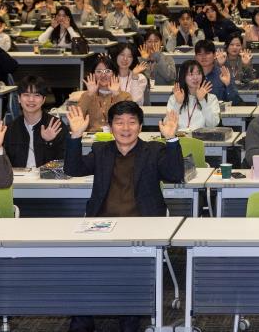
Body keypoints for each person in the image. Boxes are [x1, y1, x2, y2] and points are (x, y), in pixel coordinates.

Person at [64, 101, 183, 332]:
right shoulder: (101, 150)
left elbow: (175, 174)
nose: (126, 128)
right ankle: (83, 318)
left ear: (140, 127)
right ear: (110, 127)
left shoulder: (153, 150)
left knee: (130, 273)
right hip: (102, 225)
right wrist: (76, 136)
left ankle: (129, 315)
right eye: (119, 122)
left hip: (141, 226)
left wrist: (171, 139)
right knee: (81, 265)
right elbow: (73, 169)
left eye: (131, 122)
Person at [4, 76, 65, 168]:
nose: (31, 100)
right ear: (19, 98)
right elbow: (4, 166)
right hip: (18, 176)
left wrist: (49, 143)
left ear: (43, 99)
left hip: (47, 176)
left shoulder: (55, 125)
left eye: (37, 95)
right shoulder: (11, 128)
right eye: (26, 95)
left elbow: (64, 162)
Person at [77, 56, 132, 132]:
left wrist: (117, 96)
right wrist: (89, 95)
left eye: (107, 71)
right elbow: (77, 119)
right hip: (92, 137)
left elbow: (129, 120)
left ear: (114, 74)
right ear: (93, 74)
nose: (103, 75)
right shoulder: (86, 95)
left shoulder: (125, 96)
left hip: (118, 136)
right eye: (99, 71)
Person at [167, 60, 220, 131]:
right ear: (183, 77)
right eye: (191, 74)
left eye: (198, 73)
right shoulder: (174, 98)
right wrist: (178, 104)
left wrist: (202, 101)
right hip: (179, 137)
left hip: (201, 137)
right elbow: (167, 124)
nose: (195, 77)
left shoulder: (211, 98)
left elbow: (213, 124)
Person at [193, 40, 239, 104]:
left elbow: (236, 101)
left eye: (207, 53)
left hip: (219, 109)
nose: (203, 57)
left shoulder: (224, 74)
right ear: (195, 57)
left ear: (214, 55)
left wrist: (228, 85)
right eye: (200, 54)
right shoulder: (189, 76)